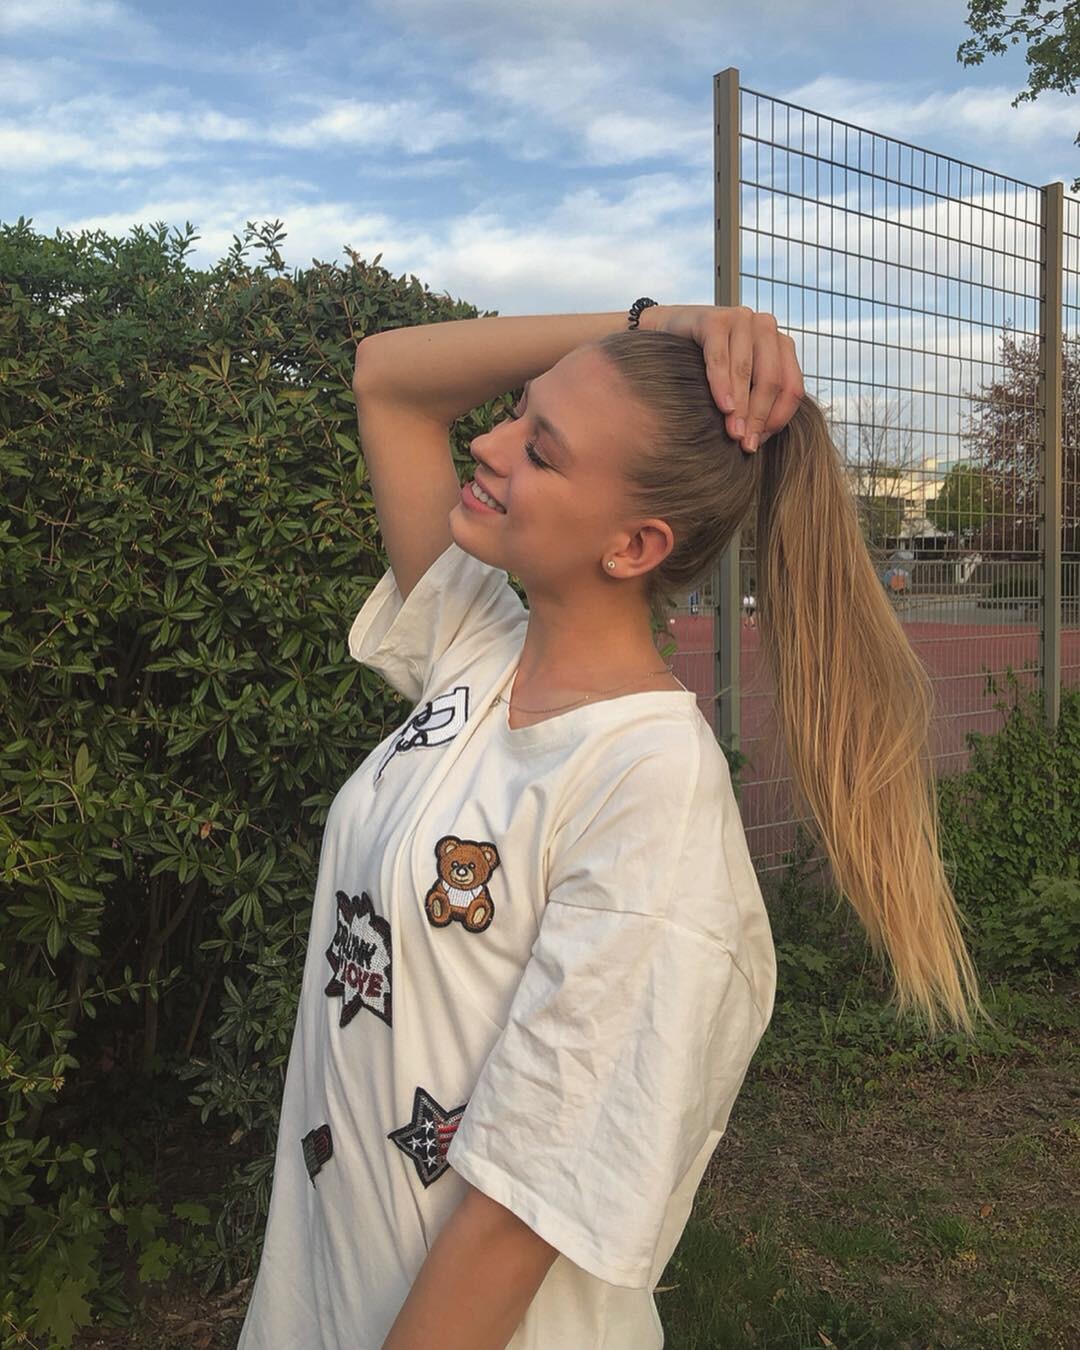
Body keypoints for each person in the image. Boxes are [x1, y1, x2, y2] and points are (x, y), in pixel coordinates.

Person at [236, 302, 985, 1350]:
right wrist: (660, 320)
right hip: (323, 1307)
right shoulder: (476, 651)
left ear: (634, 545)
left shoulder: (649, 786)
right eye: (515, 412)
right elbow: (388, 381)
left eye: (540, 449)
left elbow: (519, 1210)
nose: (490, 445)